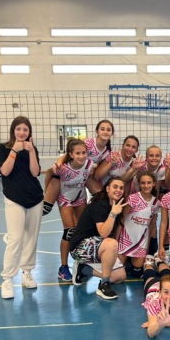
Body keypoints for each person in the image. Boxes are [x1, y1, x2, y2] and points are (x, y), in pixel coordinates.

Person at [0, 116, 43, 300]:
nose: (22, 132)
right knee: (15, 239)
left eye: (25, 129)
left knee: (31, 238)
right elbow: (5, 171)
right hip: (14, 199)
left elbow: (35, 172)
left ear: (29, 132)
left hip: (35, 198)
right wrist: (15, 150)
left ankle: (27, 273)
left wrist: (31, 151)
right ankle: (7, 279)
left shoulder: (32, 148)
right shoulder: (3, 148)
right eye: (18, 129)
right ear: (13, 130)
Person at [69, 176, 128, 300]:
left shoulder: (116, 205)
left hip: (98, 246)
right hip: (79, 247)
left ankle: (82, 269)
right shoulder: (99, 205)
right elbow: (104, 233)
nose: (118, 190)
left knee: (119, 276)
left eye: (121, 188)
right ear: (107, 189)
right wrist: (113, 213)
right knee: (111, 243)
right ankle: (104, 285)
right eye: (115, 187)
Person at [42, 120, 115, 215]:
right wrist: (59, 162)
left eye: (108, 130)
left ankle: (94, 214)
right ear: (97, 131)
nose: (105, 132)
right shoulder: (88, 143)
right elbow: (67, 155)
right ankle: (49, 198)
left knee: (102, 197)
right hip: (70, 172)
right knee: (46, 208)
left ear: (112, 133)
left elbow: (97, 170)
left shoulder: (107, 152)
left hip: (84, 174)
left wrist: (95, 167)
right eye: (102, 129)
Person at [52, 138, 97, 282]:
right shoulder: (63, 168)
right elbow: (50, 177)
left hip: (80, 198)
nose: (81, 156)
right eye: (78, 153)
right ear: (70, 154)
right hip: (65, 199)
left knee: (82, 231)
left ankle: (81, 263)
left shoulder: (89, 165)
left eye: (84, 153)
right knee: (69, 232)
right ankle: (63, 267)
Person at [117, 171, 160, 279]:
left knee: (136, 273)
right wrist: (116, 240)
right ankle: (126, 262)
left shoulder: (156, 203)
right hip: (125, 240)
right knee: (117, 273)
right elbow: (122, 219)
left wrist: (147, 247)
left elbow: (151, 226)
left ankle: (130, 264)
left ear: (154, 183)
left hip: (141, 242)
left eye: (149, 183)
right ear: (139, 184)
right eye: (143, 183)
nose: (146, 186)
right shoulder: (133, 198)